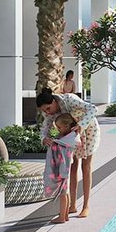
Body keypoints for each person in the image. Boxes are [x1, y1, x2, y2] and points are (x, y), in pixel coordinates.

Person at [36, 88, 100, 218]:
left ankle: (86, 206)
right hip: (70, 137)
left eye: (48, 108)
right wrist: (44, 138)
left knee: (86, 167)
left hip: (88, 131)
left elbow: (93, 109)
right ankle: (72, 206)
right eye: (44, 111)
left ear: (54, 101)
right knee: (72, 168)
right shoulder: (48, 113)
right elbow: (45, 128)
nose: (47, 112)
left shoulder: (69, 99)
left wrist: (81, 125)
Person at [44, 113, 79, 223]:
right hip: (65, 169)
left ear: (67, 126)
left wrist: (55, 143)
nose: (58, 129)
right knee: (66, 192)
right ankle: (66, 215)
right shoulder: (68, 137)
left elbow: (63, 150)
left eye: (59, 127)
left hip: (63, 169)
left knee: (63, 194)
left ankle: (61, 217)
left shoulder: (68, 139)